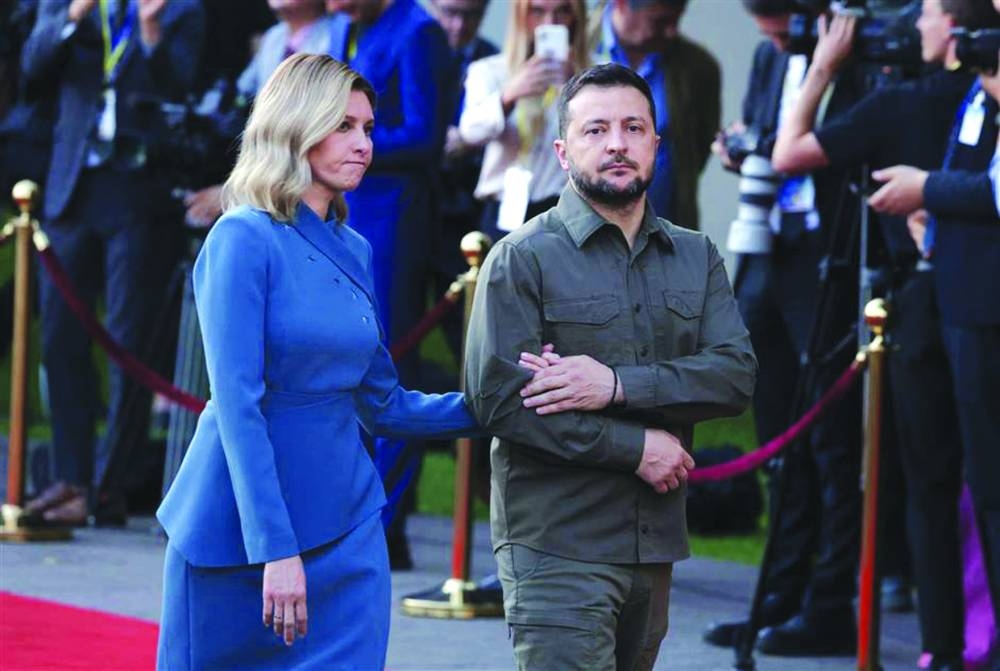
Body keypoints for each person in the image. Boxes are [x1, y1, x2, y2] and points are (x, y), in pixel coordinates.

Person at [155, 54, 479, 670]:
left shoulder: (352, 247)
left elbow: (385, 403)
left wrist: (503, 403)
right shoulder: (241, 238)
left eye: (368, 128)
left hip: (347, 523)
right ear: (296, 127)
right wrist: (275, 550)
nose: (364, 144)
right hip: (238, 536)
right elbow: (238, 407)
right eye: (344, 127)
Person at [464, 62, 757, 670]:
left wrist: (615, 385)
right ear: (564, 152)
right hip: (557, 544)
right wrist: (635, 447)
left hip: (654, 542)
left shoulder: (695, 255)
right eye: (596, 130)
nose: (617, 143)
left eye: (633, 127)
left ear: (657, 143)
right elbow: (499, 402)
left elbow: (734, 375)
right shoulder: (521, 259)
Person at [771, 0, 1000, 666]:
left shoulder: (919, 101)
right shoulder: (959, 100)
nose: (913, 27)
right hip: (942, 295)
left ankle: (948, 645)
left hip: (964, 306)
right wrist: (937, 214)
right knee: (942, 482)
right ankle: (944, 647)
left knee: (972, 483)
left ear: (957, 31)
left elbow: (790, 150)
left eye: (925, 13)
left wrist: (927, 191)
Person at [702, 0, 870, 657]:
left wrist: (823, 72)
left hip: (828, 261)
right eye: (761, 21)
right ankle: (777, 595)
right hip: (770, 259)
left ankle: (827, 602)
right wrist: (739, 148)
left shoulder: (852, 61)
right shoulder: (772, 55)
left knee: (829, 442)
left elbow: (830, 152)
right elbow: (767, 143)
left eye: (780, 19)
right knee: (778, 441)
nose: (771, 34)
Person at [19, 0, 204, 526]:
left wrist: (149, 29)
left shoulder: (181, 8)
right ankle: (70, 478)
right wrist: (75, 14)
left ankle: (109, 486)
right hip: (71, 187)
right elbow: (34, 68)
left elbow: (178, 89)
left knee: (128, 343)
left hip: (136, 193)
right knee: (60, 339)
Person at [326, 0, 460, 567]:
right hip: (349, 215)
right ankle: (356, 514)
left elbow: (426, 136)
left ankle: (387, 525)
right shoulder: (346, 27)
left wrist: (341, 142)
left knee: (388, 365)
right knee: (346, 361)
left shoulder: (418, 31)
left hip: (396, 223)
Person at [459, 0, 589, 243]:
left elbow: (600, 137)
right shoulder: (491, 70)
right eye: (537, 11)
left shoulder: (595, 74)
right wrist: (508, 96)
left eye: (563, 11)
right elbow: (469, 133)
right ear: (520, 16)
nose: (550, 23)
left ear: (576, 17)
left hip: (570, 206)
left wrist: (577, 88)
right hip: (505, 205)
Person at [590, 0, 720, 229]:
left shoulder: (698, 67)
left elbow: (697, 149)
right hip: (583, 234)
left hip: (664, 229)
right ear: (621, 4)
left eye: (676, 19)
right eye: (659, 21)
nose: (671, 31)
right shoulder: (574, 45)